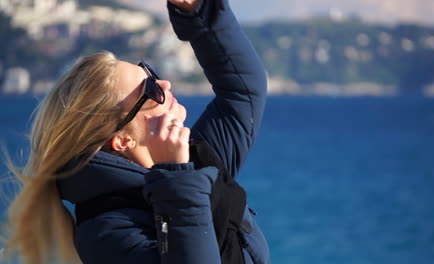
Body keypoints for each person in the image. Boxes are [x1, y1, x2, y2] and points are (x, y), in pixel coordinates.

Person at [5, 0, 270, 263]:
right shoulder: (108, 235)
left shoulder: (198, 163)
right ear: (122, 140)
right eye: (150, 90)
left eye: (152, 74)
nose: (165, 84)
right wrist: (175, 176)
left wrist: (200, 12)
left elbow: (243, 90)